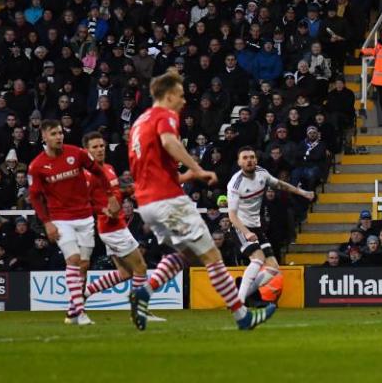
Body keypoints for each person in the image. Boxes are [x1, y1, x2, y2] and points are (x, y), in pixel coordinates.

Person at [127, 69, 276, 331]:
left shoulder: (140, 122)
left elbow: (151, 167)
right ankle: (243, 316)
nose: (184, 101)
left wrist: (183, 177)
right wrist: (196, 168)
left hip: (148, 203)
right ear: (169, 94)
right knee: (212, 256)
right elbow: (170, 142)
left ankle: (144, 292)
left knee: (184, 254)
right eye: (181, 96)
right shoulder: (165, 116)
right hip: (168, 200)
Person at [28, 119, 115, 325]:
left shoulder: (76, 153)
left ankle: (72, 310)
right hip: (61, 219)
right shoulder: (37, 166)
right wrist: (47, 222)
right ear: (44, 137)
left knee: (84, 265)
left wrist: (110, 195)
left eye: (60, 133)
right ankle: (81, 313)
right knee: (74, 260)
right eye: (54, 134)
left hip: (84, 217)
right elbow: (35, 198)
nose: (59, 137)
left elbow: (98, 171)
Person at [78, 132, 164, 323]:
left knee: (126, 273)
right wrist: (102, 210)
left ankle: (85, 294)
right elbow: (84, 201)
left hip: (117, 225)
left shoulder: (108, 168)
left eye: (102, 146)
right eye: (95, 147)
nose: (100, 150)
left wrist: (129, 191)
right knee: (140, 267)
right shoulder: (88, 174)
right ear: (86, 151)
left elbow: (115, 193)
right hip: (111, 228)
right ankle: (139, 311)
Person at [227, 147, 315, 303]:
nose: (249, 160)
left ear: (256, 159)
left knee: (273, 268)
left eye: (252, 157)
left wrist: (302, 193)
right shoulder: (235, 184)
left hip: (256, 226)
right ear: (239, 162)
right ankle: (238, 302)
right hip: (240, 227)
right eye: (245, 158)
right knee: (258, 259)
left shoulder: (262, 173)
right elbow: (232, 215)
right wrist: (246, 232)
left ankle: (243, 293)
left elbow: (280, 185)